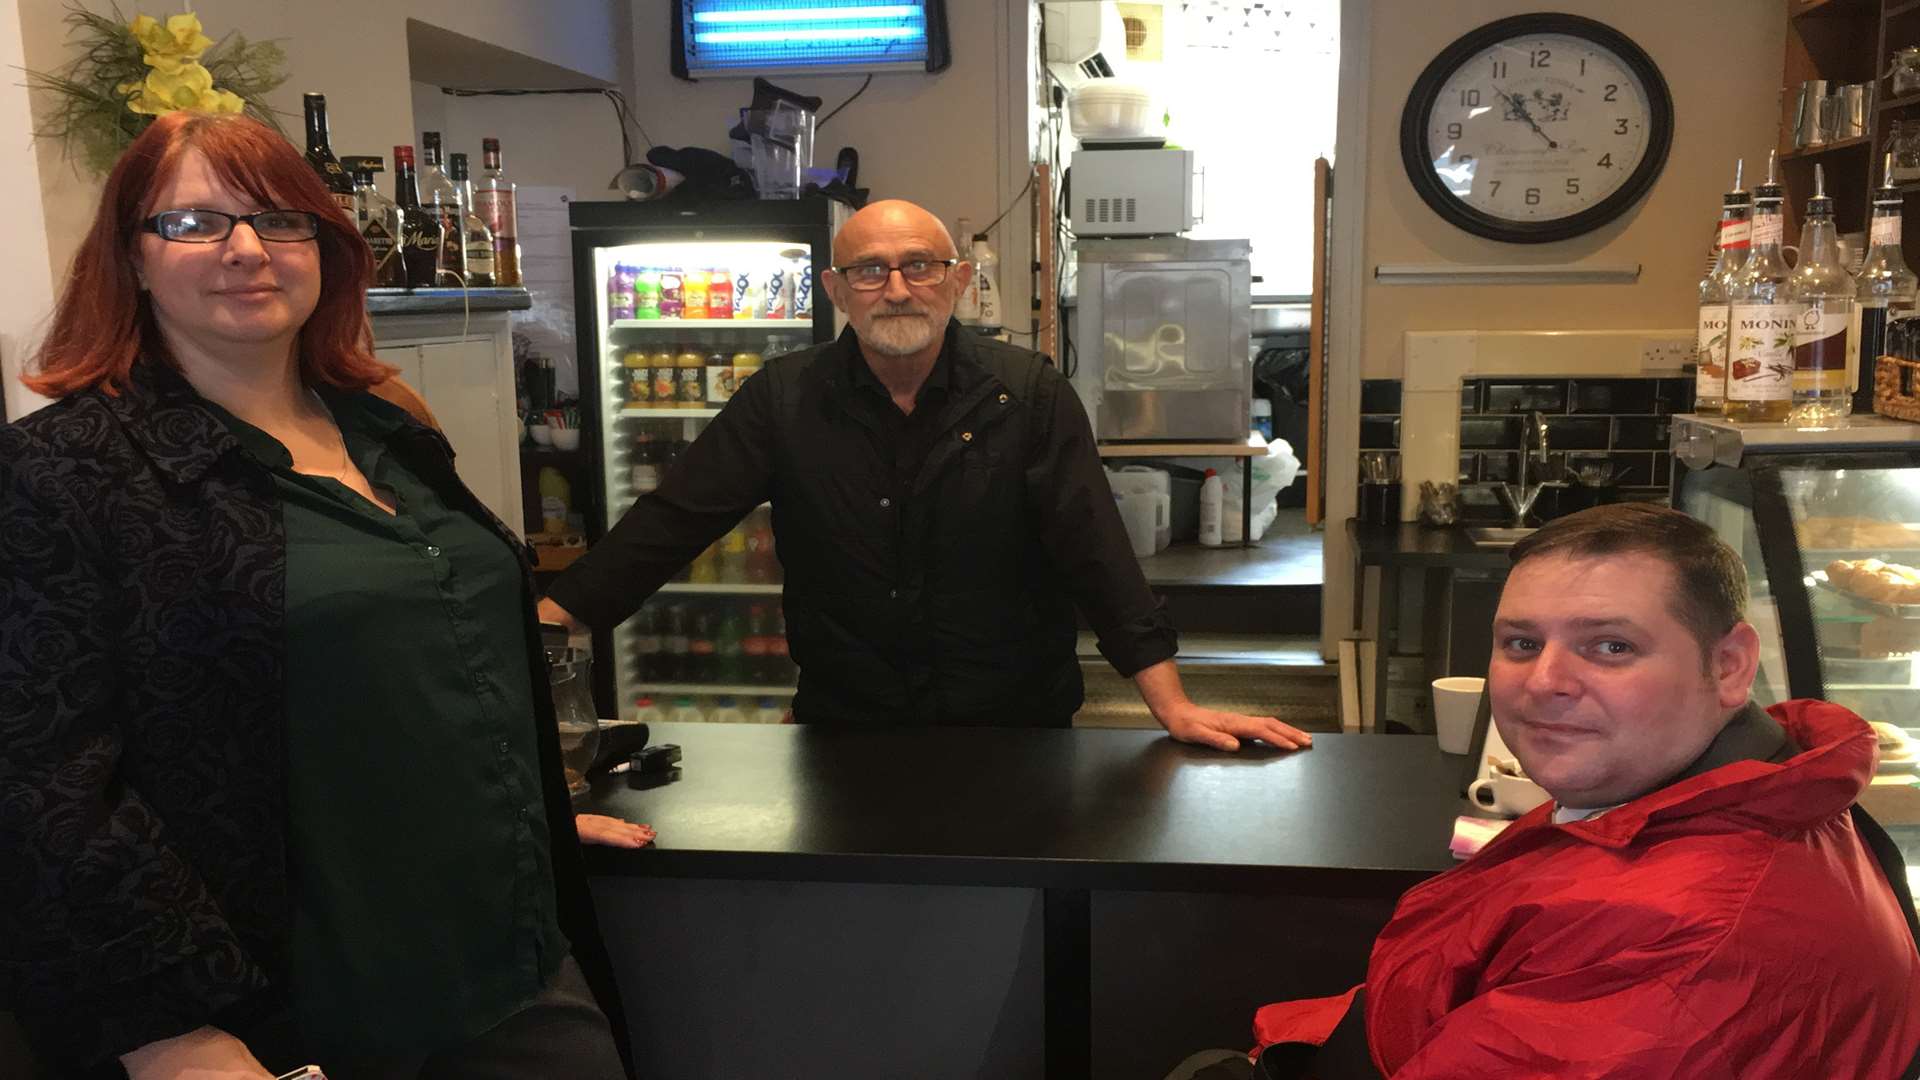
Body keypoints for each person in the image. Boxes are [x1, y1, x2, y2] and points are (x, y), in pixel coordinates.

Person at [0, 112, 636, 1079]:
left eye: (282, 220)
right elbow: (45, 785)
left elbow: (434, 652)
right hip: (297, 1018)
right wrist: (174, 1036)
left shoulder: (390, 429)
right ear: (130, 259)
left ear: (324, 249)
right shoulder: (62, 474)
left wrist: (525, 806)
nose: (248, 249)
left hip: (518, 969)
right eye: (194, 223)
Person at [541, 199, 1309, 750]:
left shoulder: (1028, 392)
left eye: (920, 267)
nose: (898, 288)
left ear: (959, 281)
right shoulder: (784, 398)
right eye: (870, 272)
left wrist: (1170, 705)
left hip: (1015, 727)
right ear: (837, 291)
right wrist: (553, 618)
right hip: (847, 724)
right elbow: (675, 519)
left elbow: (1096, 551)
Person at [1200, 503, 1920, 1079]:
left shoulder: (1687, 941)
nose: (1544, 682)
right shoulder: (1736, 791)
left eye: (1611, 646)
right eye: (1521, 643)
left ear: (1730, 665)